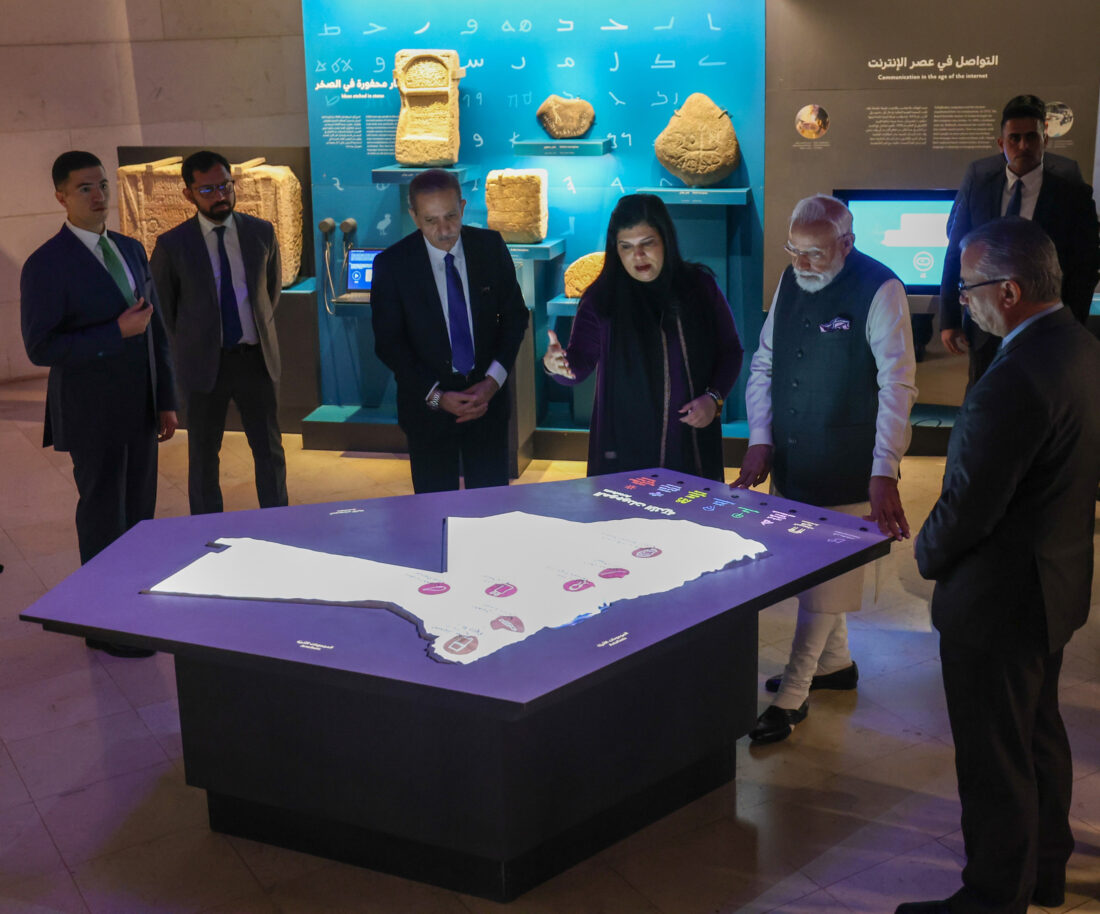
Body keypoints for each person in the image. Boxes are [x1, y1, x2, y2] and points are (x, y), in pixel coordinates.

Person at [899, 219, 1100, 914]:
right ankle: (1044, 872)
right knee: (1037, 734)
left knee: (995, 758)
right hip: (1053, 588)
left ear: (1009, 291)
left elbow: (969, 506)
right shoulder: (1080, 347)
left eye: (969, 287)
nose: (963, 301)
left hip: (999, 603)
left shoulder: (1012, 379)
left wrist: (925, 553)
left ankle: (993, 897)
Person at [733, 194, 917, 743]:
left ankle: (793, 694)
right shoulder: (789, 281)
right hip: (794, 456)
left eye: (815, 252)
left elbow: (898, 384)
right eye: (794, 250)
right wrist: (760, 438)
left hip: (847, 461)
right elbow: (765, 361)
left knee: (824, 584)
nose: (802, 262)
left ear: (847, 243)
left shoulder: (881, 289)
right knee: (811, 568)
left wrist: (884, 468)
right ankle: (835, 664)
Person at [21, 150, 178, 658]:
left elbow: (155, 331)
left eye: (103, 185)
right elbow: (41, 347)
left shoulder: (130, 248)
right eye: (84, 188)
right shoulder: (46, 264)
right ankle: (104, 623)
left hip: (141, 406)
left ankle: (134, 610)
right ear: (61, 197)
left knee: (139, 515)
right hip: (91, 412)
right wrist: (114, 332)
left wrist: (166, 399)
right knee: (104, 518)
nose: (98, 196)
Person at [542, 193, 743, 480]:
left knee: (692, 508)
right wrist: (555, 366)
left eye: (647, 243)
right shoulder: (601, 299)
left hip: (689, 444)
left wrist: (714, 398)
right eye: (626, 246)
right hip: (623, 449)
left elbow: (731, 351)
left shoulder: (699, 288)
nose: (637, 256)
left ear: (666, 240)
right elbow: (578, 366)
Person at [371, 169, 529, 493]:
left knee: (490, 507)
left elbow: (515, 316)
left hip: (487, 406)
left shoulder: (489, 247)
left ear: (463, 206)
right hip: (426, 411)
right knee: (435, 509)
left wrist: (492, 382)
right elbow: (389, 343)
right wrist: (437, 397)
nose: (444, 230)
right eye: (431, 220)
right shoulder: (392, 265)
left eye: (451, 216)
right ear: (414, 216)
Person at [151, 150, 288, 515]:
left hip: (255, 360)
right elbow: (165, 310)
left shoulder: (261, 232)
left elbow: (269, 293)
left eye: (225, 186)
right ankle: (207, 528)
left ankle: (280, 521)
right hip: (203, 365)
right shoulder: (172, 245)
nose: (220, 196)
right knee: (203, 455)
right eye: (208, 189)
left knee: (269, 449)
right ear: (189, 194)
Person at [939, 94, 1099, 388]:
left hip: (1044, 327)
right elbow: (956, 252)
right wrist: (948, 318)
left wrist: (1070, 322)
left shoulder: (1073, 195)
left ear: (1045, 140)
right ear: (1001, 143)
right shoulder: (980, 188)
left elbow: (1085, 267)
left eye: (1031, 137)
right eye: (1015, 138)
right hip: (986, 323)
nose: (1023, 145)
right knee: (983, 393)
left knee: (1040, 396)